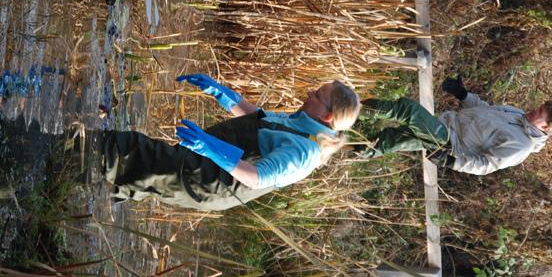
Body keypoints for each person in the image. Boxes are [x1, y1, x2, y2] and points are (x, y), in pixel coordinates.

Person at [99, 75, 360, 210]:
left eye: (317, 95)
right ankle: (68, 184)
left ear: (327, 115)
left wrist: (209, 147)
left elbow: (257, 177)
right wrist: (220, 93)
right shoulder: (304, 121)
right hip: (208, 165)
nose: (309, 93)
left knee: (125, 152)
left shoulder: (305, 153)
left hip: (212, 181)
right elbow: (259, 119)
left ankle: (67, 152)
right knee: (131, 180)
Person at [356, 76, 552, 176]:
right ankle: (350, 147)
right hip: (445, 122)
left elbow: (486, 164)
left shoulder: (521, 146)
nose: (532, 111)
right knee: (391, 140)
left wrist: (452, 162)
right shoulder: (517, 114)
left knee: (407, 110)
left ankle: (351, 109)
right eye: (538, 108)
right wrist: (463, 94)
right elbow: (484, 110)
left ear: (545, 129)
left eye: (538, 114)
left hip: (448, 141)